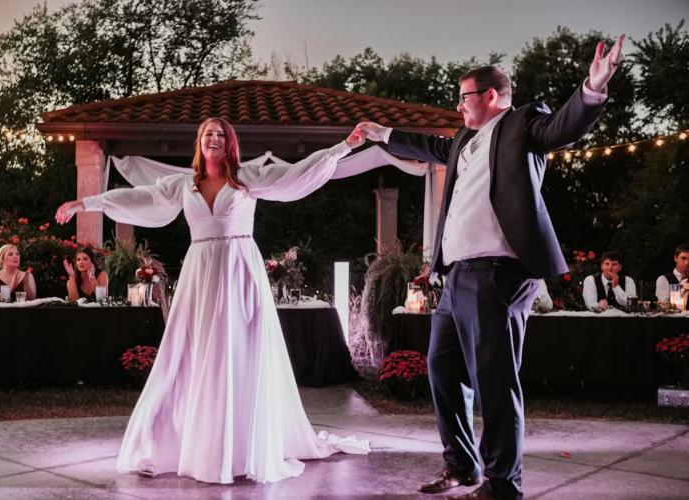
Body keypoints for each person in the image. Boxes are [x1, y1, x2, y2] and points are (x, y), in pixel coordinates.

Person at [356, 34, 625, 500]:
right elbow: (429, 147)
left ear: (493, 96)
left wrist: (593, 88)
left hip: (499, 273)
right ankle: (462, 467)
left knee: (494, 381)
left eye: (464, 96)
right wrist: (383, 134)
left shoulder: (523, 124)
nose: (458, 105)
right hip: (456, 276)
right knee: (443, 370)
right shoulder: (464, 139)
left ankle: (503, 484)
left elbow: (562, 128)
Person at [55, 117, 368, 484]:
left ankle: (239, 448)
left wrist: (343, 147)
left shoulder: (247, 177)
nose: (214, 138)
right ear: (199, 142)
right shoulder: (183, 184)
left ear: (229, 143)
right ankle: (168, 446)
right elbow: (141, 197)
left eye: (221, 134)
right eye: (208, 134)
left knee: (238, 353)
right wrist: (86, 202)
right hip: (200, 274)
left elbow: (296, 174)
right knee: (185, 355)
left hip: (240, 271)